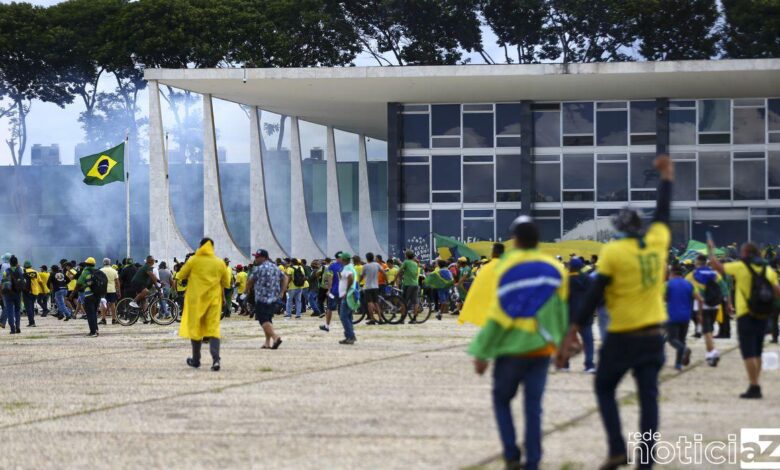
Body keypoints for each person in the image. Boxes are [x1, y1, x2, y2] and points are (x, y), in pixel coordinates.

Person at [559, 155, 674, 469]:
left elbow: (595, 294)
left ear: (620, 229)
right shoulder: (657, 243)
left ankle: (616, 448)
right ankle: (646, 460)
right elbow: (663, 213)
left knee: (604, 387)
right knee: (648, 397)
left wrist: (573, 329)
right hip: (654, 336)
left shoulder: (614, 252)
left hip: (623, 336)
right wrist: (667, 177)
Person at [469, 216, 569, 470]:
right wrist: (562, 346)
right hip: (541, 349)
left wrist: (482, 352)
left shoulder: (505, 267)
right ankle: (533, 461)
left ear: (515, 240)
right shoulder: (555, 269)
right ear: (538, 240)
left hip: (510, 350)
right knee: (533, 407)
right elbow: (559, 312)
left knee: (502, 400)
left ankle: (512, 455)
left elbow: (498, 313)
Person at [708, 240, 780, 399]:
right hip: (762, 315)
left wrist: (711, 250)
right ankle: (756, 382)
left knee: (748, 353)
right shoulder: (768, 270)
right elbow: (777, 292)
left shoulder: (741, 267)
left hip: (745, 315)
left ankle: (754, 386)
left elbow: (717, 267)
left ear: (746, 253)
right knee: (758, 351)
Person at [178, 238, 231, 371]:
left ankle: (196, 360)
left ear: (200, 247)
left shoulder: (193, 260)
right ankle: (216, 360)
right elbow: (226, 282)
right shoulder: (219, 262)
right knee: (213, 330)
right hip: (213, 301)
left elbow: (181, 275)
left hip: (196, 301)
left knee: (195, 330)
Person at [685, 254, 730, 366]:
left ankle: (712, 353)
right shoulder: (715, 274)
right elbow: (725, 289)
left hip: (702, 306)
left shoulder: (693, 274)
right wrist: (729, 304)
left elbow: (685, 287)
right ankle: (710, 352)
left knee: (707, 330)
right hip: (715, 305)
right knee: (709, 329)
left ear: (697, 263)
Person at [246, 249, 286, 350]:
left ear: (264, 257)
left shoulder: (259, 269)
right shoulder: (275, 267)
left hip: (262, 299)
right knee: (268, 320)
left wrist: (246, 290)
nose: (256, 259)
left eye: (257, 257)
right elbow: (285, 278)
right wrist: (282, 291)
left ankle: (275, 338)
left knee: (262, 320)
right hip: (273, 298)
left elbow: (250, 281)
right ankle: (267, 343)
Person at [564, 257, 595, 373]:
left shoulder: (565, 281)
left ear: (570, 267)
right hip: (586, 315)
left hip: (570, 314)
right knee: (588, 341)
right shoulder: (589, 280)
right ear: (582, 267)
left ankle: (565, 364)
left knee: (567, 340)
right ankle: (589, 365)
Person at [666, 265, 699, 371]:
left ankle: (684, 350)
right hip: (686, 317)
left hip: (672, 316)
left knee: (672, 339)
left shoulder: (668, 284)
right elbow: (700, 299)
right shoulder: (689, 284)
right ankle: (678, 364)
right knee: (682, 339)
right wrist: (700, 314)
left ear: (672, 273)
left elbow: (662, 298)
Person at [75, 257, 100, 337]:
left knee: (90, 314)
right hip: (97, 295)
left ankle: (93, 332)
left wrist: (73, 293)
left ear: (86, 264)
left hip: (89, 295)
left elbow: (79, 282)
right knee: (94, 313)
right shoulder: (97, 271)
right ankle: (96, 329)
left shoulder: (86, 271)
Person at [320, 253, 343, 333]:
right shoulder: (346, 266)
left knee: (329, 308)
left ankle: (327, 326)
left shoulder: (332, 266)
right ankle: (346, 324)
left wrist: (329, 289)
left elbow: (330, 278)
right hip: (343, 291)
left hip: (334, 291)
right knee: (342, 307)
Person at [2, 256, 24, 334]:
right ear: (17, 262)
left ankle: (12, 329)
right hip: (18, 293)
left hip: (8, 293)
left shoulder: (6, 271)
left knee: (10, 311)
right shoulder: (20, 270)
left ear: (10, 263)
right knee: (17, 310)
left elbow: (3, 282)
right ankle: (18, 326)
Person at [360, 252, 383, 325]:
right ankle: (380, 318)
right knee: (376, 303)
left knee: (369, 303)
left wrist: (358, 282)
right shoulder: (377, 265)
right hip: (376, 286)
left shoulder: (365, 266)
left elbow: (362, 276)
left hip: (368, 287)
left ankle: (372, 319)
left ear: (367, 258)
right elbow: (384, 273)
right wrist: (387, 281)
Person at [397, 251, 420, 322]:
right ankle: (414, 318)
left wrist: (395, 279)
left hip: (407, 284)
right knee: (415, 302)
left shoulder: (406, 262)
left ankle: (402, 318)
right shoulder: (415, 264)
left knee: (404, 301)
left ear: (406, 256)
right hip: (415, 284)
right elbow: (416, 274)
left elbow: (399, 271)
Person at [22, 261, 40, 327]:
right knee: (31, 306)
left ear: (24, 266)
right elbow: (39, 281)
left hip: (27, 291)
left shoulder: (23, 272)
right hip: (35, 292)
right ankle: (32, 321)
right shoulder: (35, 272)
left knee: (28, 307)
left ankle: (31, 322)